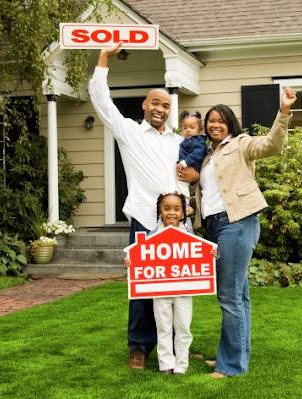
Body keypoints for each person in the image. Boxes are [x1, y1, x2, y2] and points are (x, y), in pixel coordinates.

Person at [88, 43, 199, 370]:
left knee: (179, 289)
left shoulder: (179, 142)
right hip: (144, 221)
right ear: (144, 105)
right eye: (155, 103)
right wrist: (104, 58)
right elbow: (102, 102)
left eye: (166, 104)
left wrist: (190, 193)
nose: (161, 109)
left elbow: (188, 178)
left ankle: (180, 351)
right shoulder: (130, 133)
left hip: (179, 224)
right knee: (143, 288)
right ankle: (139, 346)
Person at [194, 88, 297, 378]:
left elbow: (271, 146)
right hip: (215, 226)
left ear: (230, 124)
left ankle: (232, 365)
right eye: (210, 121)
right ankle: (235, 355)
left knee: (229, 297)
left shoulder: (241, 144)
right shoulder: (207, 156)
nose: (215, 124)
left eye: (220, 120)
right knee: (239, 296)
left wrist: (284, 113)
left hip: (237, 222)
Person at [126, 192, 217, 375]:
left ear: (183, 213)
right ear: (160, 211)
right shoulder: (152, 235)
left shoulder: (189, 235)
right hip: (160, 293)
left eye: (176, 209)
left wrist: (212, 255)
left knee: (183, 327)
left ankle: (181, 365)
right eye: (167, 208)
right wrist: (131, 261)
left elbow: (202, 253)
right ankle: (165, 364)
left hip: (184, 293)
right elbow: (140, 255)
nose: (172, 213)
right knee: (163, 328)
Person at [176, 111, 207, 213]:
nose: (188, 130)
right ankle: (182, 204)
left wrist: (184, 162)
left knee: (182, 186)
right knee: (180, 186)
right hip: (186, 165)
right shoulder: (186, 140)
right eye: (185, 128)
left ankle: (186, 206)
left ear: (199, 129)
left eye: (192, 127)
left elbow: (198, 154)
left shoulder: (198, 140)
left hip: (193, 166)